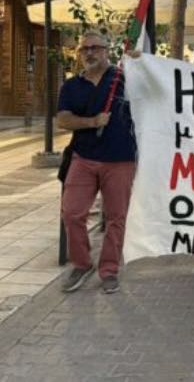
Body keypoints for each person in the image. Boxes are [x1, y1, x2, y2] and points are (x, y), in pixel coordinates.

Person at [57, 31, 137, 295]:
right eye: (84, 49)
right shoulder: (72, 86)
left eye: (95, 47)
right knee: (72, 213)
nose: (89, 52)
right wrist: (92, 122)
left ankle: (109, 270)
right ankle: (82, 264)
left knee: (116, 217)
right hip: (84, 158)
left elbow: (156, 88)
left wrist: (142, 62)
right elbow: (63, 119)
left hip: (120, 159)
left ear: (107, 50)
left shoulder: (124, 78)